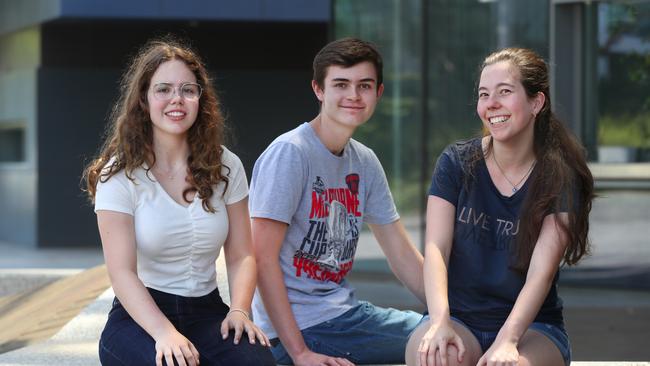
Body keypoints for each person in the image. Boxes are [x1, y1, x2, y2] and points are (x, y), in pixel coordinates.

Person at [83, 37, 275, 366]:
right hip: (140, 318)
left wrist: (240, 310)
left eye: (188, 89)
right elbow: (122, 273)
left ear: (201, 98)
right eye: (164, 89)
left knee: (257, 360)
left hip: (207, 311)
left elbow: (243, 254)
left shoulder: (226, 165)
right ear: (143, 99)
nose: (177, 99)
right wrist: (164, 333)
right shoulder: (119, 174)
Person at [406, 47, 595, 366]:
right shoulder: (456, 162)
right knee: (436, 359)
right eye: (483, 94)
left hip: (533, 328)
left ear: (537, 102)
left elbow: (540, 273)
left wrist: (507, 341)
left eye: (504, 92)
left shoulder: (560, 176)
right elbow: (436, 248)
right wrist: (439, 321)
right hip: (459, 319)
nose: (491, 103)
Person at [248, 37, 427, 366]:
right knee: (442, 342)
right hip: (301, 329)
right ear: (318, 89)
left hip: (341, 318)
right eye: (341, 84)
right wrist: (300, 353)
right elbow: (261, 260)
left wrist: (451, 313)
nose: (354, 96)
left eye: (365, 85)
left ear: (379, 93)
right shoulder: (291, 153)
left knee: (450, 332)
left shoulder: (365, 162)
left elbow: (403, 257)